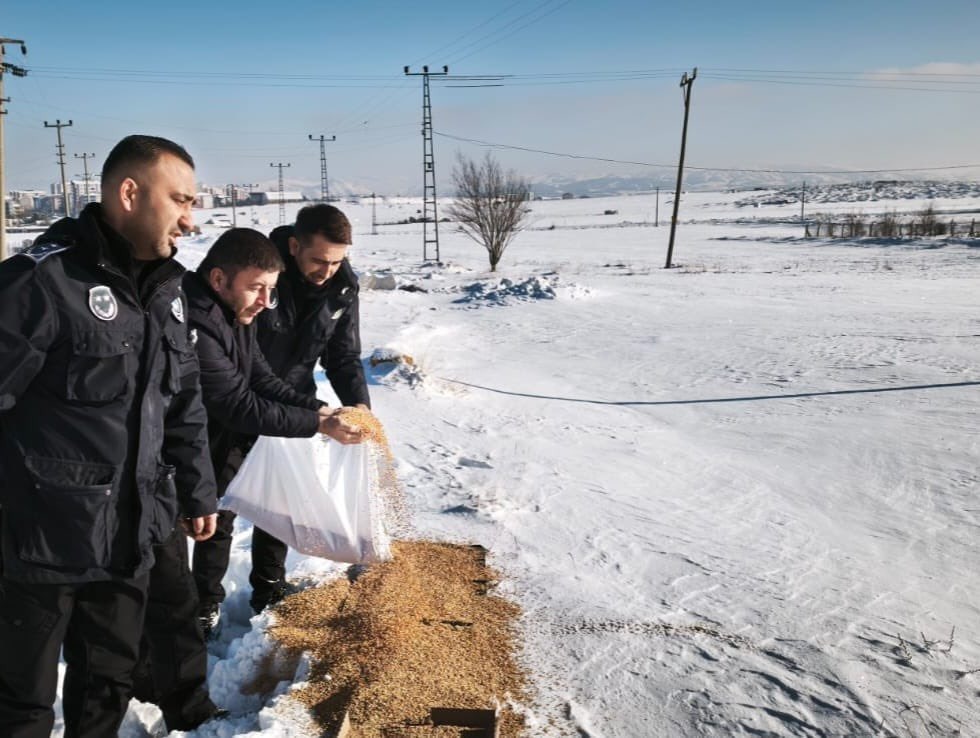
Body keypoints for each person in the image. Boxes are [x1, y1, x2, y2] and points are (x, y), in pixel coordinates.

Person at [0, 135, 217, 738]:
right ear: (130, 193)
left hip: (129, 540)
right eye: (180, 200)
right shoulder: (41, 283)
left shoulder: (167, 292)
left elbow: (184, 403)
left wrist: (198, 490)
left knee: (106, 689)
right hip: (42, 545)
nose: (190, 220)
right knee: (22, 703)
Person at [185, 227, 364, 636]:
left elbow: (261, 376)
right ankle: (200, 607)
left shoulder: (241, 309)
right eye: (258, 289)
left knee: (272, 502)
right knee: (215, 511)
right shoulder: (199, 320)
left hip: (260, 413)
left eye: (271, 290)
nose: (266, 302)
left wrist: (317, 407)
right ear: (219, 279)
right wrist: (318, 424)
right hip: (201, 433)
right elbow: (235, 401)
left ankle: (265, 587)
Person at [245, 203, 371, 614]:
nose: (328, 270)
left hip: (294, 395)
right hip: (241, 395)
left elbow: (343, 356)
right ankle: (205, 605)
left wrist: (360, 408)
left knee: (279, 497)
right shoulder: (262, 272)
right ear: (295, 246)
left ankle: (267, 588)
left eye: (337, 261)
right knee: (223, 500)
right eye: (319, 260)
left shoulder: (342, 287)